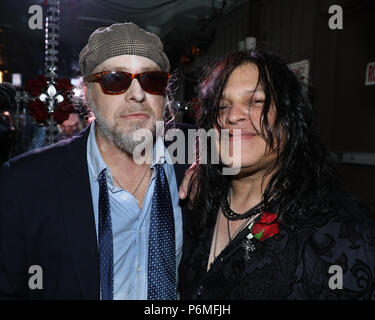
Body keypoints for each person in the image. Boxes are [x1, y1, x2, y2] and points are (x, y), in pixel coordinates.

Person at [0, 22, 189, 300]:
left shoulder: (196, 157)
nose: (137, 94)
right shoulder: (25, 184)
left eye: (152, 80)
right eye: (115, 80)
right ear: (88, 94)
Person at [178, 49, 375, 299]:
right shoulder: (194, 204)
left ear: (290, 119)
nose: (232, 116)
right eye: (221, 106)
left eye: (256, 102)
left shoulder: (340, 235)